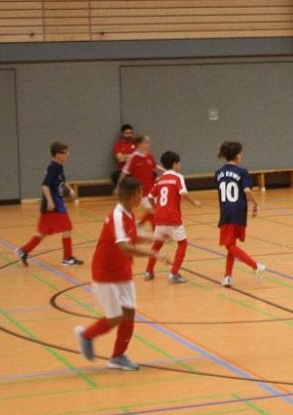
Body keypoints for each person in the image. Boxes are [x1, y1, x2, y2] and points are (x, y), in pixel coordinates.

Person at [74, 177, 169, 371]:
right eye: (141, 193)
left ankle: (117, 357)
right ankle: (86, 335)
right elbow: (124, 246)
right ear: (135, 196)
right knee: (115, 318)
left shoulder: (128, 213)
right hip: (105, 273)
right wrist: (153, 253)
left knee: (129, 313)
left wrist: (155, 237)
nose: (142, 196)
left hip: (123, 271)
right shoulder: (117, 216)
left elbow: (131, 237)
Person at [14, 141, 84, 267]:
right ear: (57, 154)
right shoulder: (53, 167)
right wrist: (50, 201)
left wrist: (70, 189)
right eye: (65, 153)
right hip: (55, 206)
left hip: (52, 205)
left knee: (42, 232)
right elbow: (45, 185)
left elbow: (61, 181)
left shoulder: (59, 166)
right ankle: (67, 258)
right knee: (67, 228)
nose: (67, 155)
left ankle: (23, 251)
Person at [143, 151, 201, 283]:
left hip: (159, 217)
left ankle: (148, 271)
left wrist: (156, 209)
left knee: (157, 244)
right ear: (175, 164)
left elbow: (150, 196)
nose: (179, 165)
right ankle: (174, 273)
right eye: (179, 163)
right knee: (182, 244)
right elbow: (183, 193)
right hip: (172, 216)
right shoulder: (177, 177)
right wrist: (194, 202)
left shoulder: (160, 179)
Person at [214, 141, 267, 287]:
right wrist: (256, 204)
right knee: (231, 244)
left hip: (227, 211)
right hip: (239, 210)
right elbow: (247, 190)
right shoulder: (242, 172)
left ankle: (256, 266)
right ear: (238, 156)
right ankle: (228, 276)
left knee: (229, 245)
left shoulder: (218, 174)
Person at [115, 134, 163, 230]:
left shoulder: (149, 155)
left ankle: (140, 223)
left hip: (151, 189)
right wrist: (118, 186)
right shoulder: (133, 157)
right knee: (153, 210)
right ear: (139, 144)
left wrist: (167, 172)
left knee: (154, 210)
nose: (148, 144)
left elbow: (155, 167)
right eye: (146, 142)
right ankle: (156, 233)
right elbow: (124, 172)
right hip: (141, 191)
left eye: (148, 142)